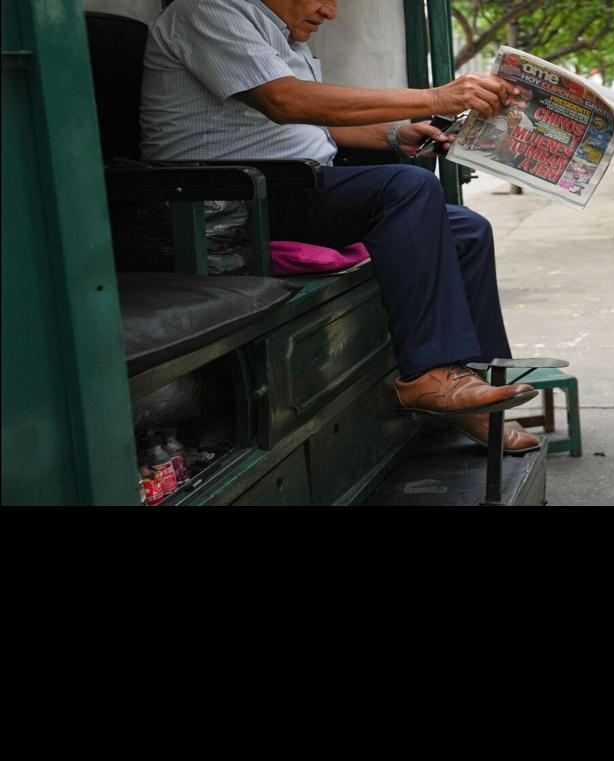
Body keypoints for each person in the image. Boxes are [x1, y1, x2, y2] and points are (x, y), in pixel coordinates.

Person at [139, 0, 542, 452]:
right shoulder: (206, 11)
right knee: (407, 188)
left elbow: (312, 125)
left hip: (286, 184)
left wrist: (394, 134)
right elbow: (285, 102)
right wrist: (437, 96)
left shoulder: (282, 37)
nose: (329, 11)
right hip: (225, 204)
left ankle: (470, 388)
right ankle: (430, 372)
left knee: (466, 229)